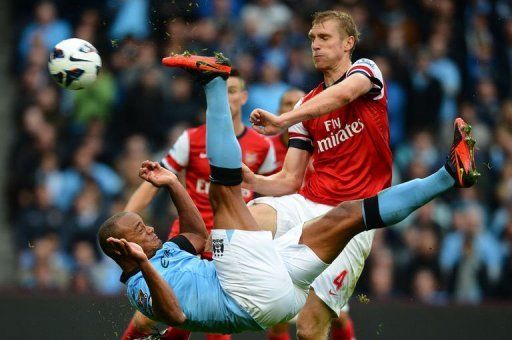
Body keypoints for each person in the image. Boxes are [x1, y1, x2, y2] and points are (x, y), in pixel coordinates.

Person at [98, 54, 479, 335]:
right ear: (120, 247)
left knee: (348, 216)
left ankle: (448, 175)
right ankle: (213, 83)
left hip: (277, 288)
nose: (149, 229)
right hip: (242, 294)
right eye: (139, 230)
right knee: (224, 193)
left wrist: (174, 184)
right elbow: (176, 316)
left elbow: (197, 235)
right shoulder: (137, 289)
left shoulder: (164, 251)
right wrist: (144, 265)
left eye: (143, 224)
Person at [244, 10, 392, 339]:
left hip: (353, 217)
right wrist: (249, 180)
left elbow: (341, 95)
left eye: (324, 38)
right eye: (312, 38)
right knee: (246, 221)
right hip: (309, 204)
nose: (315, 45)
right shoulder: (306, 106)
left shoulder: (366, 71)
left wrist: (283, 119)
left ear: (348, 43)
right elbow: (289, 180)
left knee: (310, 329)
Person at [121, 70, 277, 339]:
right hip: (187, 240)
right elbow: (153, 183)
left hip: (229, 241)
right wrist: (124, 220)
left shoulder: (263, 146)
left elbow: (272, 197)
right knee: (149, 316)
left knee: (210, 321)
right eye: (222, 92)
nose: (227, 97)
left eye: (232, 91)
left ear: (243, 97)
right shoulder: (191, 139)